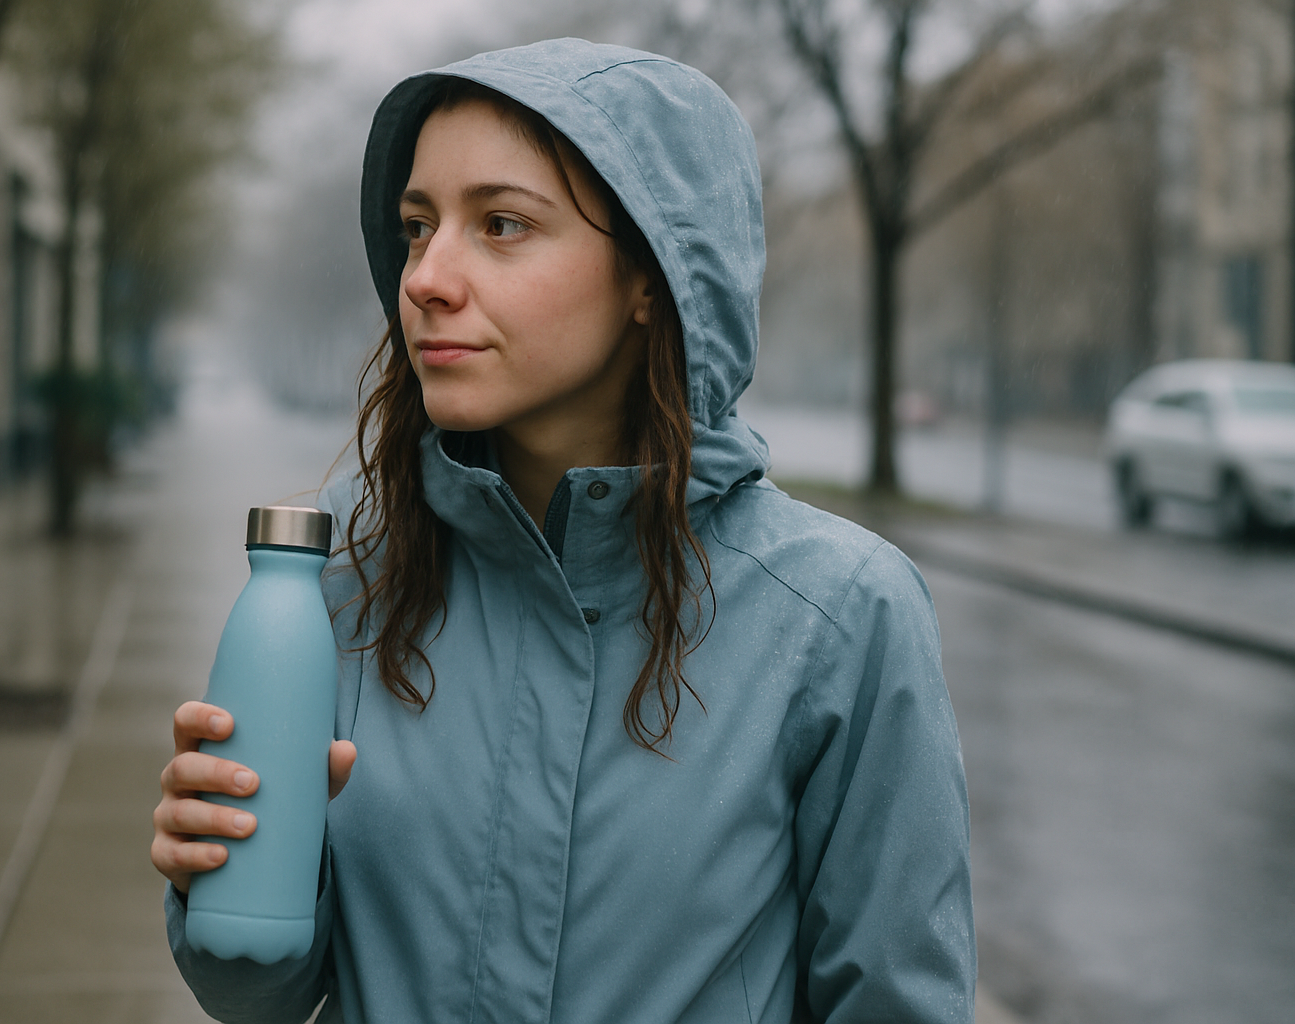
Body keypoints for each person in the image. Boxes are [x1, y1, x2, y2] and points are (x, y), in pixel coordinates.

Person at [152, 38, 975, 1024]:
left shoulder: (841, 617)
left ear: (651, 275)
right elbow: (260, 992)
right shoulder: (346, 598)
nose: (427, 277)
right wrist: (221, 875)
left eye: (501, 224)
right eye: (418, 227)